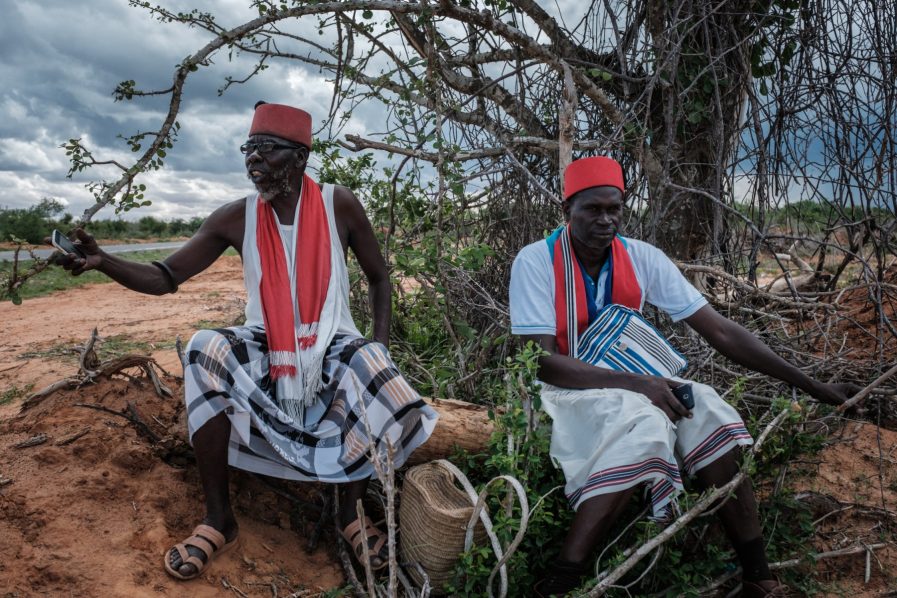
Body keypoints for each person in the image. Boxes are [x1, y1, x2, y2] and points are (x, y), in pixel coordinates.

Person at [53, 102, 439, 580]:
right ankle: (219, 519)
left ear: (300, 156)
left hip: (333, 339)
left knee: (372, 367)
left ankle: (351, 515)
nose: (253, 160)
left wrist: (378, 343)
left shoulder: (339, 204)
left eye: (266, 149)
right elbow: (165, 276)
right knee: (204, 348)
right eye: (248, 150)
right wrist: (104, 262)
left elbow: (380, 279)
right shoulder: (236, 217)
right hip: (268, 341)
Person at [508, 156, 858, 597]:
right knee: (646, 420)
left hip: (630, 385)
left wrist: (811, 384)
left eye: (613, 208)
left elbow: (720, 330)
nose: (605, 219)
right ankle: (561, 581)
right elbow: (541, 361)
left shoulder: (640, 258)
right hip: (564, 390)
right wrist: (641, 384)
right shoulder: (536, 261)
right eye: (592, 210)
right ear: (567, 212)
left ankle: (758, 576)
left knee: (707, 405)